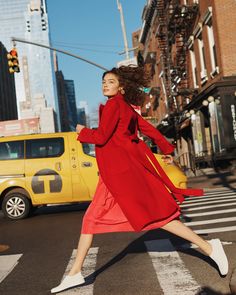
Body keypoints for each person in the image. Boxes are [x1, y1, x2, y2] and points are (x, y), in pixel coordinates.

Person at [51, 66, 228, 294]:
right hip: (116, 176)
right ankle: (75, 273)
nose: (105, 85)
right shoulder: (124, 108)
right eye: (104, 81)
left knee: (152, 217)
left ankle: (209, 247)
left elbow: (103, 137)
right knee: (93, 220)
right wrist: (167, 147)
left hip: (122, 176)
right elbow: (148, 130)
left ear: (122, 87)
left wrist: (83, 131)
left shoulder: (115, 105)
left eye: (111, 82)